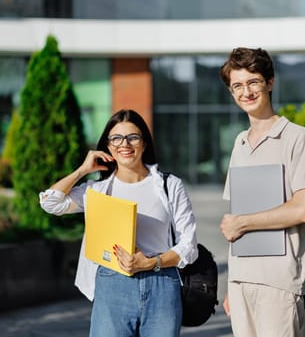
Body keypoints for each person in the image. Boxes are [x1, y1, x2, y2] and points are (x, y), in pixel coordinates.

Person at [39, 109, 199, 337]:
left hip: (161, 282)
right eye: (116, 138)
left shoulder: (169, 186)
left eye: (133, 137)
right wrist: (83, 170)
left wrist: (150, 262)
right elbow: (50, 203)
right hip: (112, 284)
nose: (125, 144)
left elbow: (189, 247)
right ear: (108, 145)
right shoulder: (97, 190)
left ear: (144, 143)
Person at [219, 47, 305, 337]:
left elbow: (301, 209)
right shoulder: (239, 144)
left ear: (269, 82)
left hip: (280, 282)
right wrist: (233, 282)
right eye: (238, 86)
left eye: (253, 82)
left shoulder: (298, 138)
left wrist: (243, 222)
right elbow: (236, 216)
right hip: (242, 282)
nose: (246, 92)